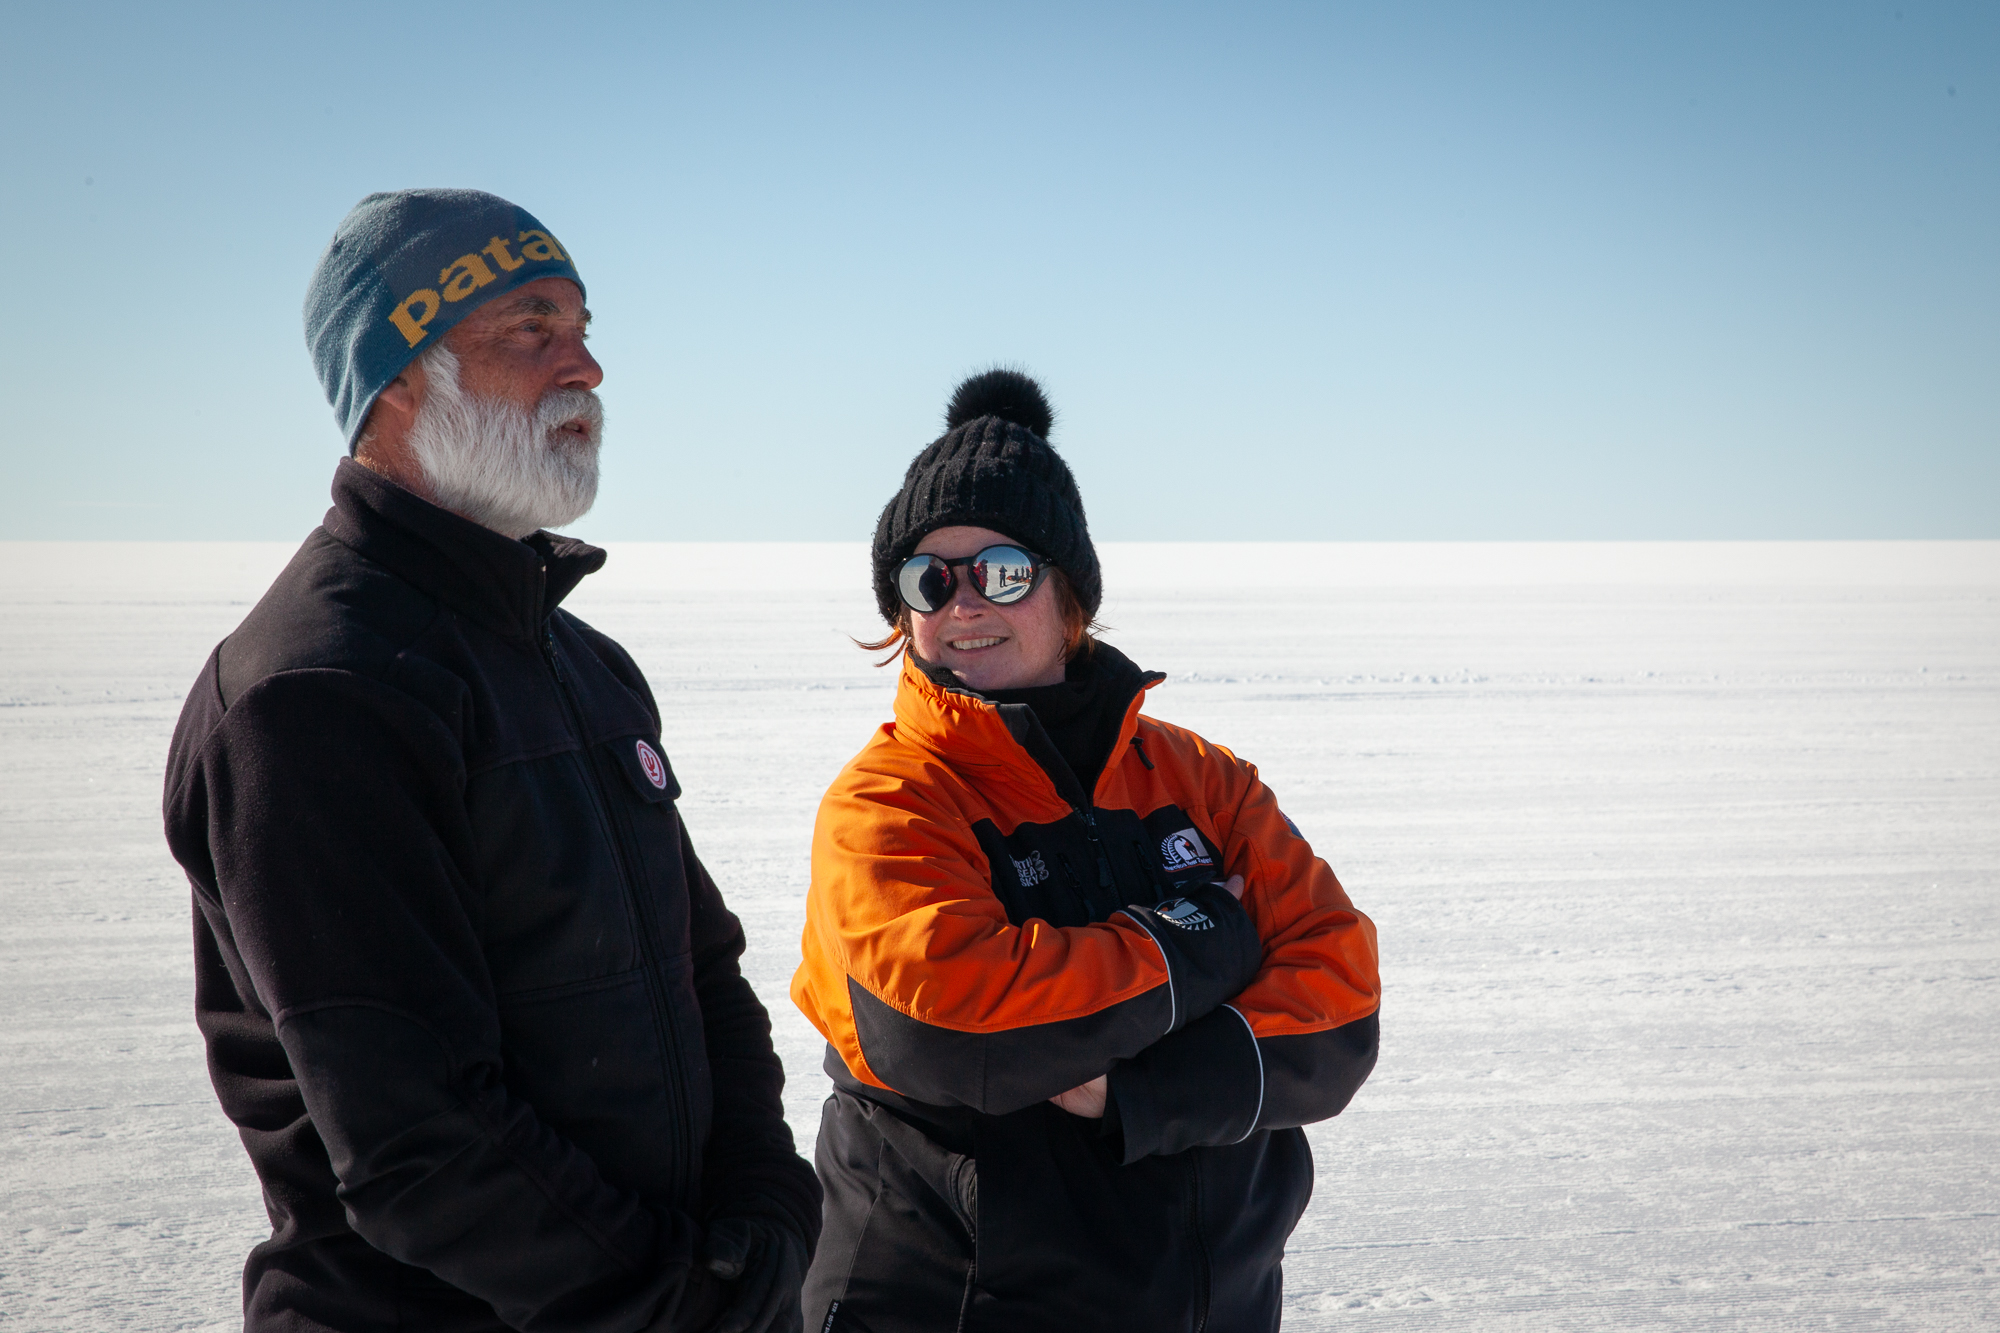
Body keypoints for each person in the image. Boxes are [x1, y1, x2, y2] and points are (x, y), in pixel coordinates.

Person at [162, 189, 818, 1333]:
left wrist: (767, 1217)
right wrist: (683, 1305)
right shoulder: (320, 690)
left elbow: (699, 969)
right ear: (398, 376)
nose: (588, 367)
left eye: (583, 323)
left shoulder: (578, 658)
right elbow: (416, 1138)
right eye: (532, 327)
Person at [790, 370, 1383, 1332]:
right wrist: (1209, 941)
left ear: (1070, 594)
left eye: (1003, 570)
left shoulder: (1202, 779)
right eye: (927, 578)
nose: (963, 602)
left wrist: (1141, 1089)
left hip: (1215, 1302)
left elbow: (1339, 1006)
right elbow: (952, 1025)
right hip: (951, 1303)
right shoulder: (891, 800)